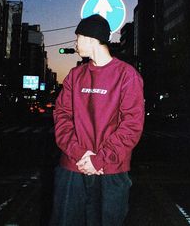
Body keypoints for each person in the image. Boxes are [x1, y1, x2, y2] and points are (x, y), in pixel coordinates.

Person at [49, 14, 145, 226]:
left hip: (110, 171)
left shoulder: (127, 75)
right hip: (72, 167)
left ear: (91, 38)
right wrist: (81, 153)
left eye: (77, 38)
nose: (74, 43)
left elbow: (132, 125)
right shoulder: (75, 75)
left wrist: (99, 159)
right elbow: (61, 116)